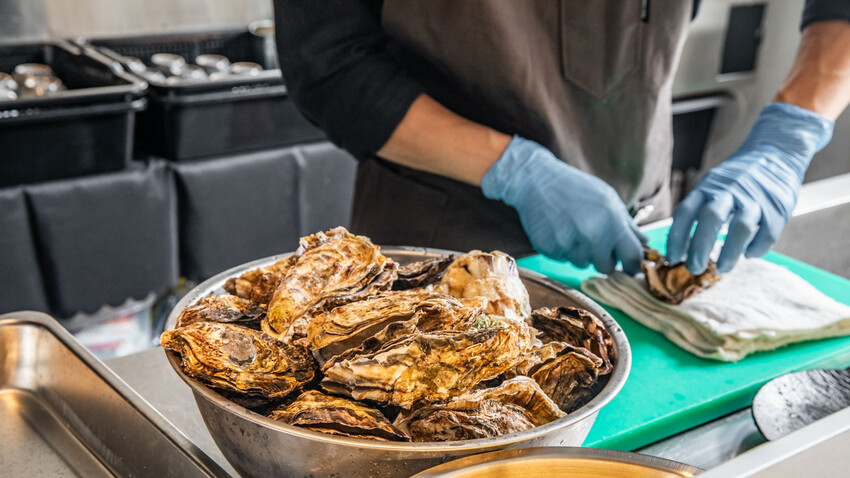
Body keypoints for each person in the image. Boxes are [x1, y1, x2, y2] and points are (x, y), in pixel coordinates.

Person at [273, 1, 850, 275]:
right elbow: (328, 63)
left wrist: (789, 134)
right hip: (440, 237)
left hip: (643, 213)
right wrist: (513, 169)